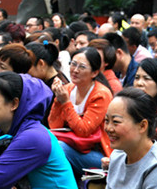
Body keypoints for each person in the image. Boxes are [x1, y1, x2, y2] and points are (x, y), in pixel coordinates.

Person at [48, 47, 113, 177]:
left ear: (94, 73)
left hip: (100, 154)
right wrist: (58, 101)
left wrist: (65, 102)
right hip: (74, 146)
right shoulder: (68, 89)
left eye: (82, 67)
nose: (75, 70)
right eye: (73, 64)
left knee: (59, 149)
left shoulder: (101, 94)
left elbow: (84, 130)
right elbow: (54, 126)